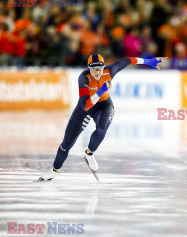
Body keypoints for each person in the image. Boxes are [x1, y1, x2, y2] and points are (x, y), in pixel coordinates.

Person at [40, 53, 168, 181]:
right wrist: (101, 90)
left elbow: (128, 60)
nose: (97, 72)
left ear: (104, 67)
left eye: (100, 68)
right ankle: (54, 170)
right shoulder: (84, 78)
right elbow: (86, 105)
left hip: (104, 106)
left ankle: (89, 154)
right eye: (94, 68)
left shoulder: (109, 71)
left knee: (101, 129)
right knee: (66, 144)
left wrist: (148, 61)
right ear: (89, 68)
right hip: (86, 106)